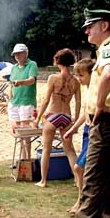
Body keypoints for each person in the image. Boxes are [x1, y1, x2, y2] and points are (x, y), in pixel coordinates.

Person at [51, 8, 110, 218]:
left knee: (94, 176)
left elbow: (108, 74)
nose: (87, 30)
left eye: (91, 25)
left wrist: (98, 105)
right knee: (107, 176)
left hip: (107, 120)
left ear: (105, 25)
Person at [35, 49, 81, 188]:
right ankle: (78, 180)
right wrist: (76, 120)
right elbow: (78, 102)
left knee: (46, 149)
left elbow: (46, 100)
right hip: (66, 116)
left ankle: (43, 181)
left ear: (57, 61)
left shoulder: (53, 78)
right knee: (69, 151)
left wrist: (38, 119)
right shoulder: (76, 81)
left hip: (53, 115)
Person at [63, 58, 95, 215]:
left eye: (81, 75)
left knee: (79, 167)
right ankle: (82, 200)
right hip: (87, 130)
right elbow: (85, 112)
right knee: (83, 169)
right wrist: (73, 128)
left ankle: (81, 201)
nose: (78, 79)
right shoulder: (88, 89)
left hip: (95, 131)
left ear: (92, 74)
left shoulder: (96, 89)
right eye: (77, 75)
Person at [8, 43, 38, 159]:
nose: (17, 55)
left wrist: (20, 82)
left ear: (26, 53)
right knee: (17, 131)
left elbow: (31, 80)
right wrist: (10, 97)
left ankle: (27, 159)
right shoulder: (14, 68)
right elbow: (11, 84)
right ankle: (21, 158)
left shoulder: (32, 64)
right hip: (14, 102)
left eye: (19, 53)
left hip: (27, 102)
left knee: (25, 133)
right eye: (15, 54)